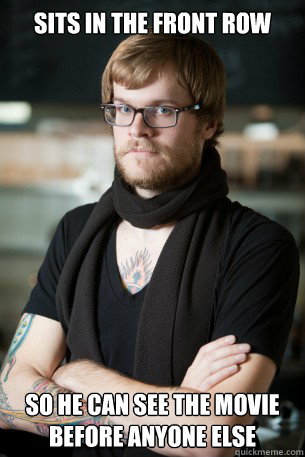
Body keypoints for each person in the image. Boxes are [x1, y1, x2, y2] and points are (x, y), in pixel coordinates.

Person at [0, 32, 300, 457]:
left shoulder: (258, 247)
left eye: (162, 110)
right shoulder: (75, 230)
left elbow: (214, 434)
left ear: (209, 122)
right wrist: (175, 409)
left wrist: (78, 376)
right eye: (123, 109)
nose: (137, 130)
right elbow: (8, 397)